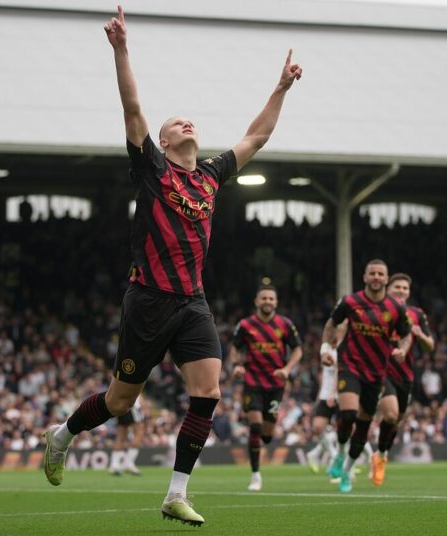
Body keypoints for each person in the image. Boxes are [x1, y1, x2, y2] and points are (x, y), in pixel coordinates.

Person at [41, 5, 302, 527]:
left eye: (191, 121)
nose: (188, 123)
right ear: (162, 142)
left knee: (208, 391)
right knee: (119, 401)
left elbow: (257, 137)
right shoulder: (152, 169)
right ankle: (62, 435)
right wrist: (121, 50)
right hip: (147, 301)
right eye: (176, 122)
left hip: (192, 303)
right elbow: (133, 107)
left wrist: (281, 89)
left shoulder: (210, 175)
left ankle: (174, 493)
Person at [320, 259, 411, 493]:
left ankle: (348, 471)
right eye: (373, 273)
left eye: (381, 273)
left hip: (377, 373)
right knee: (348, 413)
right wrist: (324, 349)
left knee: (363, 425)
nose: (377, 277)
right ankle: (339, 455)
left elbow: (406, 334)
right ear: (365, 276)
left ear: (386, 278)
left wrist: (402, 348)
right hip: (350, 366)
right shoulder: (351, 301)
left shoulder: (396, 309)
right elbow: (332, 323)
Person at [228, 284, 303, 491]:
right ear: (257, 301)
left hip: (276, 384)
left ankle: (262, 441)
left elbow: (297, 349)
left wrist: (287, 369)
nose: (268, 302)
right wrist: (236, 366)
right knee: (255, 427)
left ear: (276, 302)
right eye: (264, 298)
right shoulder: (246, 325)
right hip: (252, 383)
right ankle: (255, 475)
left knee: (268, 435)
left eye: (271, 299)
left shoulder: (285, 324)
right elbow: (235, 347)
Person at [372, 273, 434, 486]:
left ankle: (380, 454)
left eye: (405, 288)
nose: (401, 291)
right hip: (380, 371)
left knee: (396, 420)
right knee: (389, 414)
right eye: (397, 287)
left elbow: (430, 346)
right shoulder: (378, 311)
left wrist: (420, 334)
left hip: (405, 375)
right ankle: (374, 454)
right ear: (388, 289)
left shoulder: (417, 314)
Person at [306, 322, 346, 474]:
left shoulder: (345, 349)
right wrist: (321, 393)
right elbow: (325, 373)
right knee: (318, 427)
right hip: (325, 394)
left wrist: (333, 392)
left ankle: (339, 461)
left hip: (339, 394)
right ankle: (324, 454)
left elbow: (339, 372)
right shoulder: (328, 349)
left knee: (344, 428)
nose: (337, 333)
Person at [109, 395, 145, 476]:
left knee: (121, 436)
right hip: (132, 404)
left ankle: (114, 465)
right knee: (139, 433)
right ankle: (129, 463)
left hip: (120, 403)